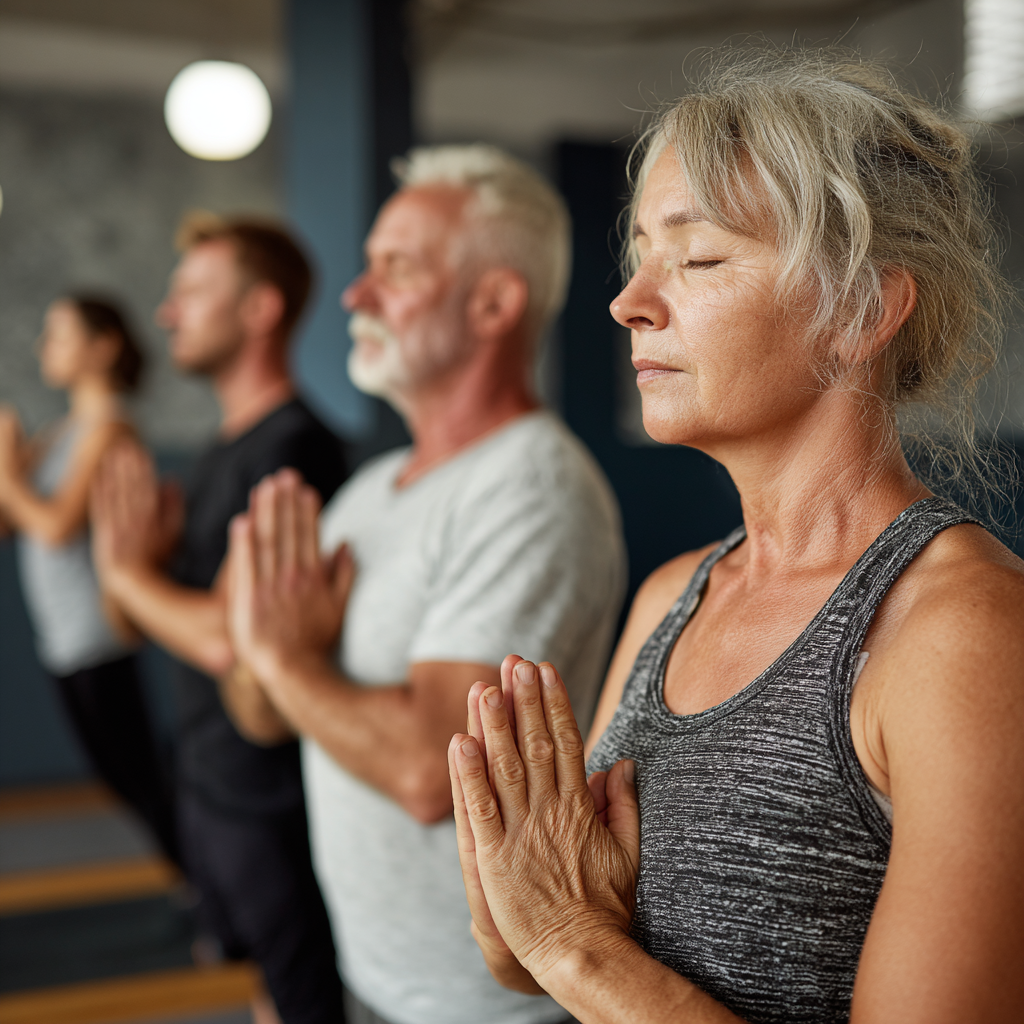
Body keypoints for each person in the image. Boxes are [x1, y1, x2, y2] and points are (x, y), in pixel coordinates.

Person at [448, 49, 1024, 1024]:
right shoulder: (670, 595)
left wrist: (569, 942)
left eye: (698, 257)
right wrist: (521, 908)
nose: (629, 302)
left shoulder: (964, 635)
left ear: (861, 312)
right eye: (640, 256)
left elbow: (572, 949)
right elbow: (526, 953)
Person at [222, 145, 627, 1024]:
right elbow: (255, 707)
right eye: (367, 267)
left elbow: (426, 772)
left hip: (478, 1004)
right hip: (364, 971)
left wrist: (284, 659)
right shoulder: (371, 492)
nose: (355, 296)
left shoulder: (532, 485)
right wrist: (274, 659)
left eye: (394, 268)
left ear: (493, 302)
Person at [90, 216, 347, 1024]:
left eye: (192, 292)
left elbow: (225, 640)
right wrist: (132, 572)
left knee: (302, 1001)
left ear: (260, 309)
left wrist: (129, 573)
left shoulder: (295, 449)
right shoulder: (216, 455)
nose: (168, 313)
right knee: (261, 993)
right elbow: (132, 622)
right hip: (203, 779)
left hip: (264, 795)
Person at [0, 295, 177, 862]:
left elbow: (53, 527)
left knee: (138, 774)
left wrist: (7, 476)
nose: (43, 346)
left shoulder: (111, 428)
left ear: (103, 347)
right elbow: (12, 520)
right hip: (62, 632)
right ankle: (200, 887)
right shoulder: (60, 432)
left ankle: (208, 894)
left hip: (95, 630)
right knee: (122, 773)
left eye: (58, 334)